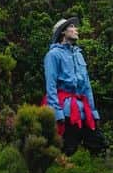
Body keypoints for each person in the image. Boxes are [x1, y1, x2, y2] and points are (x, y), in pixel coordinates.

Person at [44, 17, 107, 155]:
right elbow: (51, 86)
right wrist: (57, 112)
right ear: (62, 33)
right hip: (66, 110)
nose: (76, 29)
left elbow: (87, 87)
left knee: (99, 145)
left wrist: (93, 111)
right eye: (72, 27)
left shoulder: (79, 55)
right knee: (69, 148)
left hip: (84, 110)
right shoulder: (53, 55)